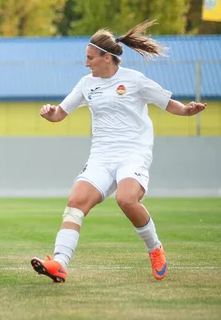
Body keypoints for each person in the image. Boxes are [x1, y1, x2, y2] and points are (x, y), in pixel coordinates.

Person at [31, 20, 207, 283]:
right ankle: (59, 263)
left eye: (90, 58)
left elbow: (168, 104)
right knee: (75, 203)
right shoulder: (86, 84)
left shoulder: (134, 81)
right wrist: (49, 113)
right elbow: (59, 114)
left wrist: (186, 110)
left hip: (133, 153)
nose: (86, 63)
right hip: (101, 156)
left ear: (107, 57)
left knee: (126, 199)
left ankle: (155, 248)